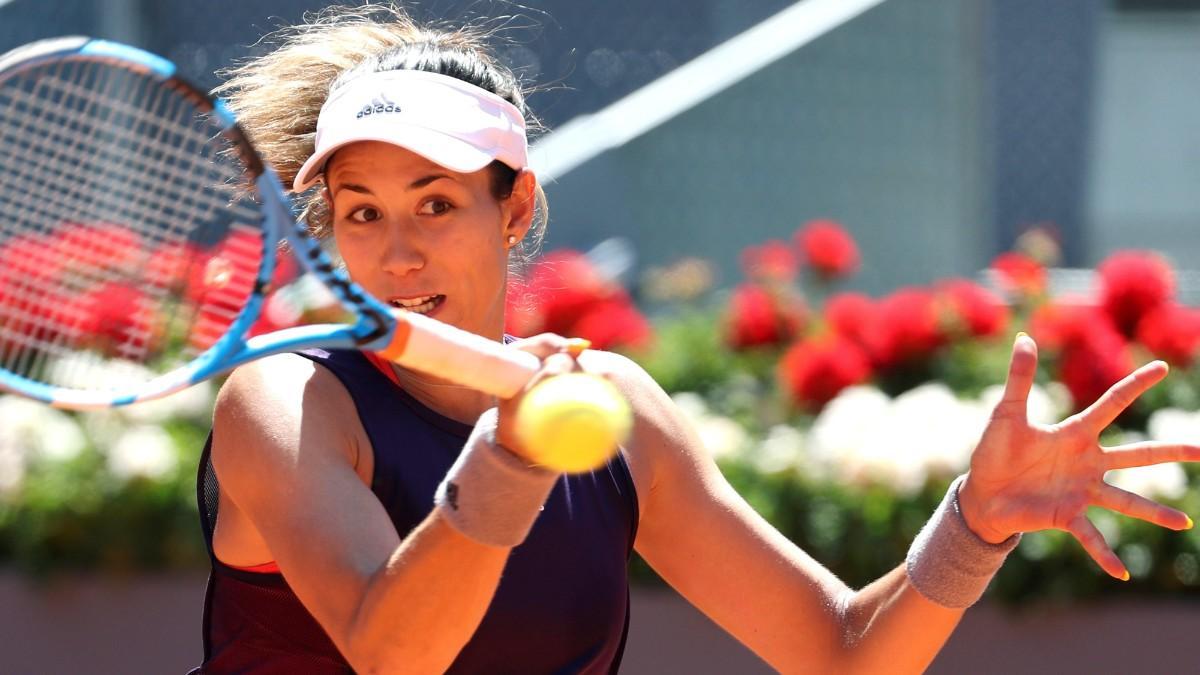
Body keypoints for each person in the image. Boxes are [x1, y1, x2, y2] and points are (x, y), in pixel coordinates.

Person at [191, 5, 1200, 673]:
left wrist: (974, 529)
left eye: (436, 203)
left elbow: (843, 655)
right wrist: (513, 456)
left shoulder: (622, 420)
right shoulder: (287, 404)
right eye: (360, 212)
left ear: (515, 210)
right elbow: (393, 655)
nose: (397, 253)